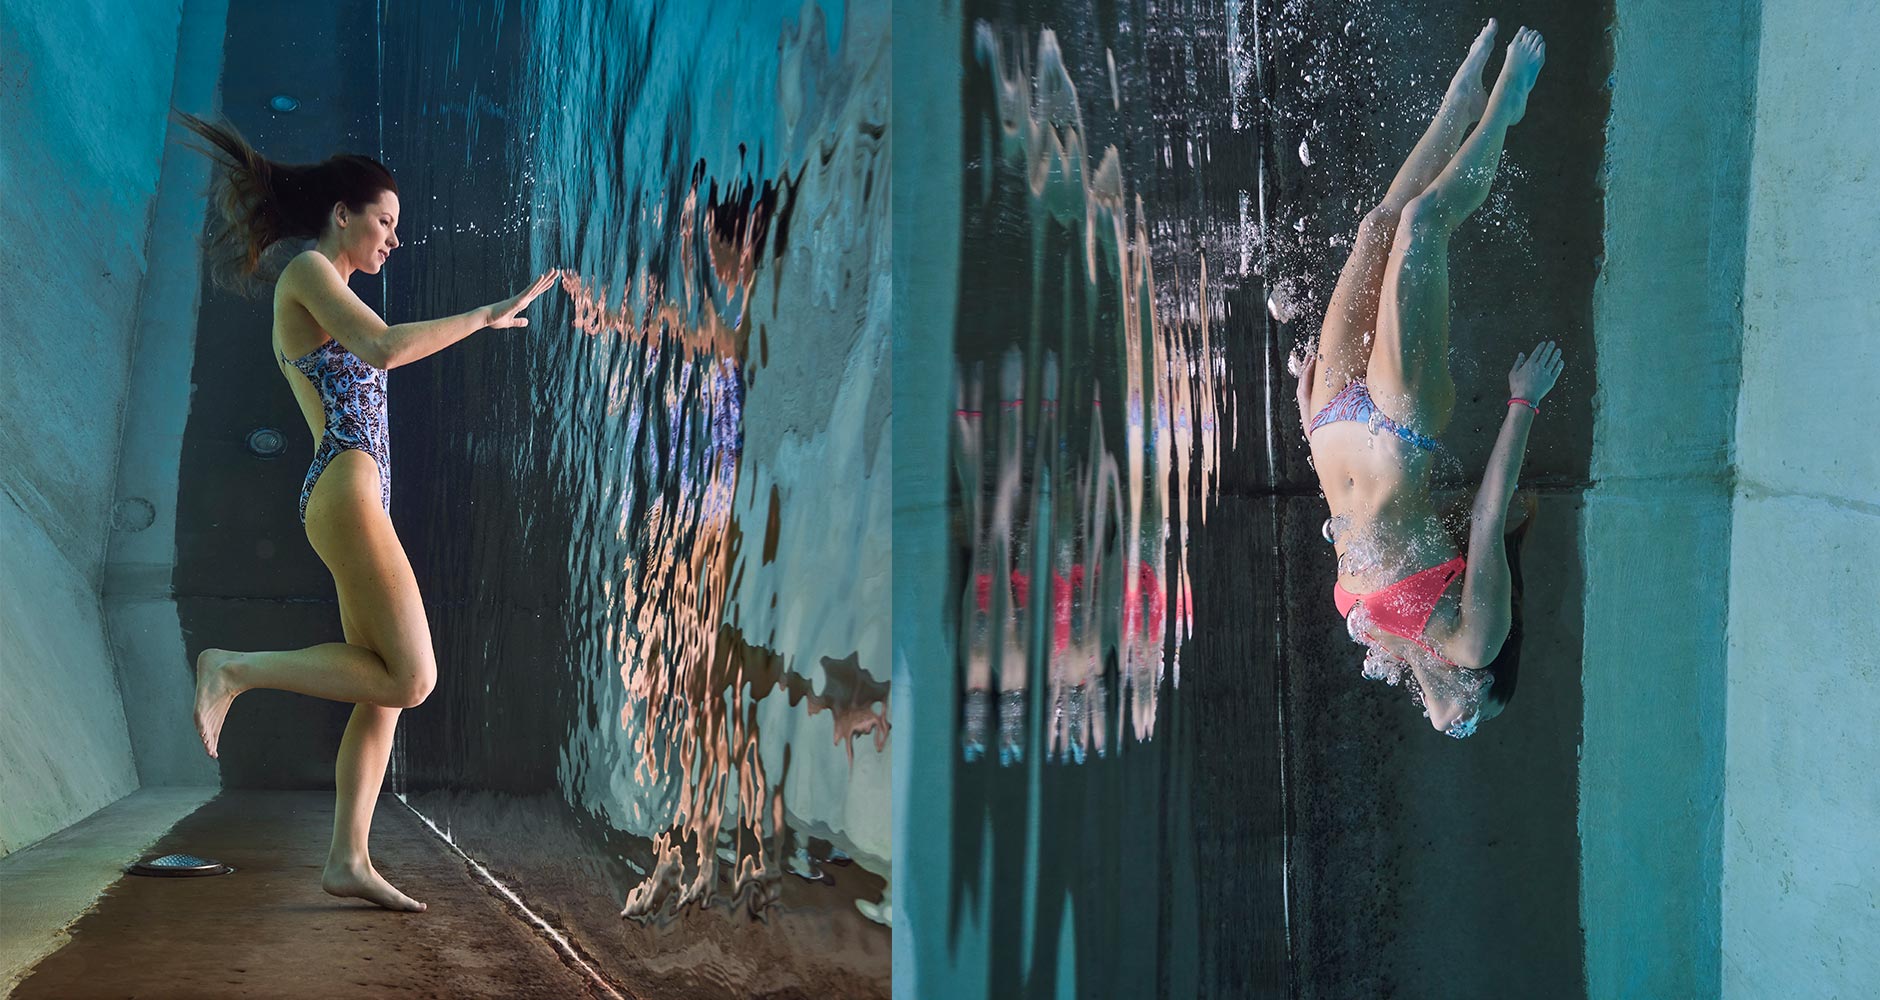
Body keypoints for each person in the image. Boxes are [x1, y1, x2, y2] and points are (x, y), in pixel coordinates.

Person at [174, 111, 559, 909]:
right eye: (384, 222)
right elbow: (383, 351)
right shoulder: (309, 272)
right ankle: (233, 669)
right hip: (346, 486)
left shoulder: (332, 285)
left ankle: (347, 857)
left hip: (354, 489)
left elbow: (375, 353)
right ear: (341, 214)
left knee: (381, 689)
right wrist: (484, 316)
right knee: (414, 677)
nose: (394, 239)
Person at [1293, 23, 1563, 738]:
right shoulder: (1476, 640)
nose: (1458, 722)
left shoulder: (1392, 649)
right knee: (1423, 223)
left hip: (1329, 422)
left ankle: (1461, 101)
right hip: (1394, 429)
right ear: (1486, 679)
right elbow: (1486, 512)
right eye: (1476, 712)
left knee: (1376, 227)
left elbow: (1349, 534)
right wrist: (1521, 404)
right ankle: (1503, 106)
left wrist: (1306, 421)